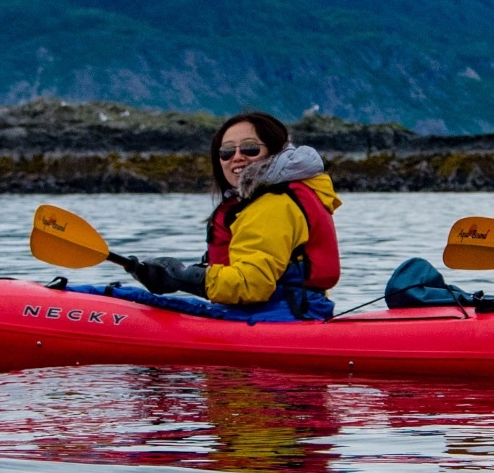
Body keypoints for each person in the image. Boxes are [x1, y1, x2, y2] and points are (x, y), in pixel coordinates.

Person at [128, 112, 340, 321]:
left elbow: (252, 284)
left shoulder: (273, 205)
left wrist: (182, 277)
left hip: (281, 315)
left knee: (121, 296)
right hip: (278, 311)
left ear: (275, 152)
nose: (237, 156)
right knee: (123, 296)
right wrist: (170, 278)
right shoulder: (259, 202)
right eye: (227, 152)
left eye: (250, 148)